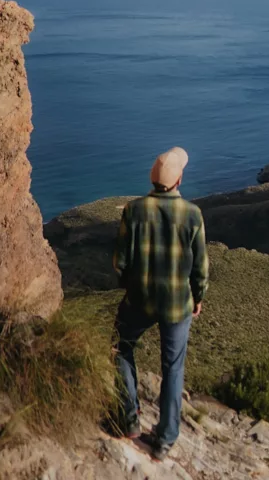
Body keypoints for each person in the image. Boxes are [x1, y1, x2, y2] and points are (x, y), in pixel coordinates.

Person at [112, 146, 209, 462]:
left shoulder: (134, 210)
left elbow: (120, 262)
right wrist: (198, 297)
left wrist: (130, 287)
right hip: (177, 305)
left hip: (139, 300)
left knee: (120, 347)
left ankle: (129, 420)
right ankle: (165, 439)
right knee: (173, 368)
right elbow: (200, 267)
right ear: (179, 179)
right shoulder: (192, 214)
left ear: (153, 180)